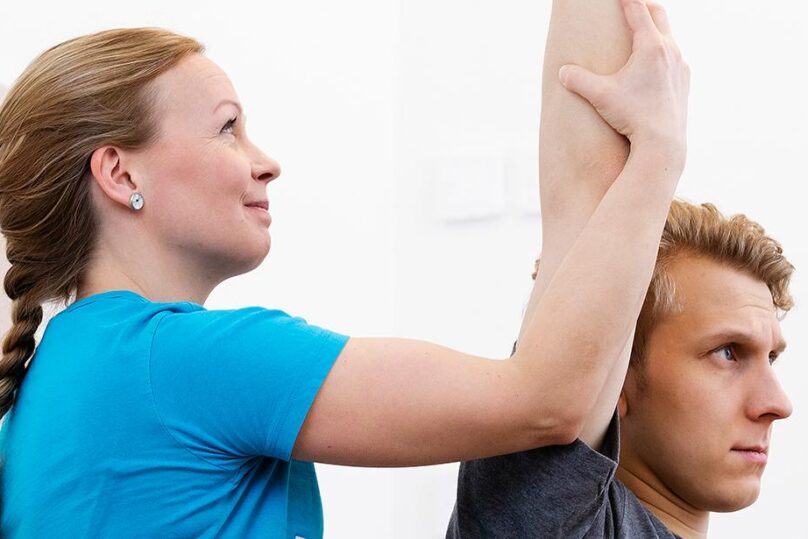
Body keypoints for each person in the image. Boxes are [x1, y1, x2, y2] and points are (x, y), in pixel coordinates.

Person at [0, 0, 688, 536]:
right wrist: (658, 151)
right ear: (120, 174)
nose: (265, 160)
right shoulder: (184, 360)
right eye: (227, 126)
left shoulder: (50, 385)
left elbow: (560, 406)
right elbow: (548, 400)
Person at [446, 1, 793, 537]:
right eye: (728, 353)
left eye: (770, 356)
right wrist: (661, 149)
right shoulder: (560, 524)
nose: (777, 404)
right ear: (616, 374)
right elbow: (581, 204)